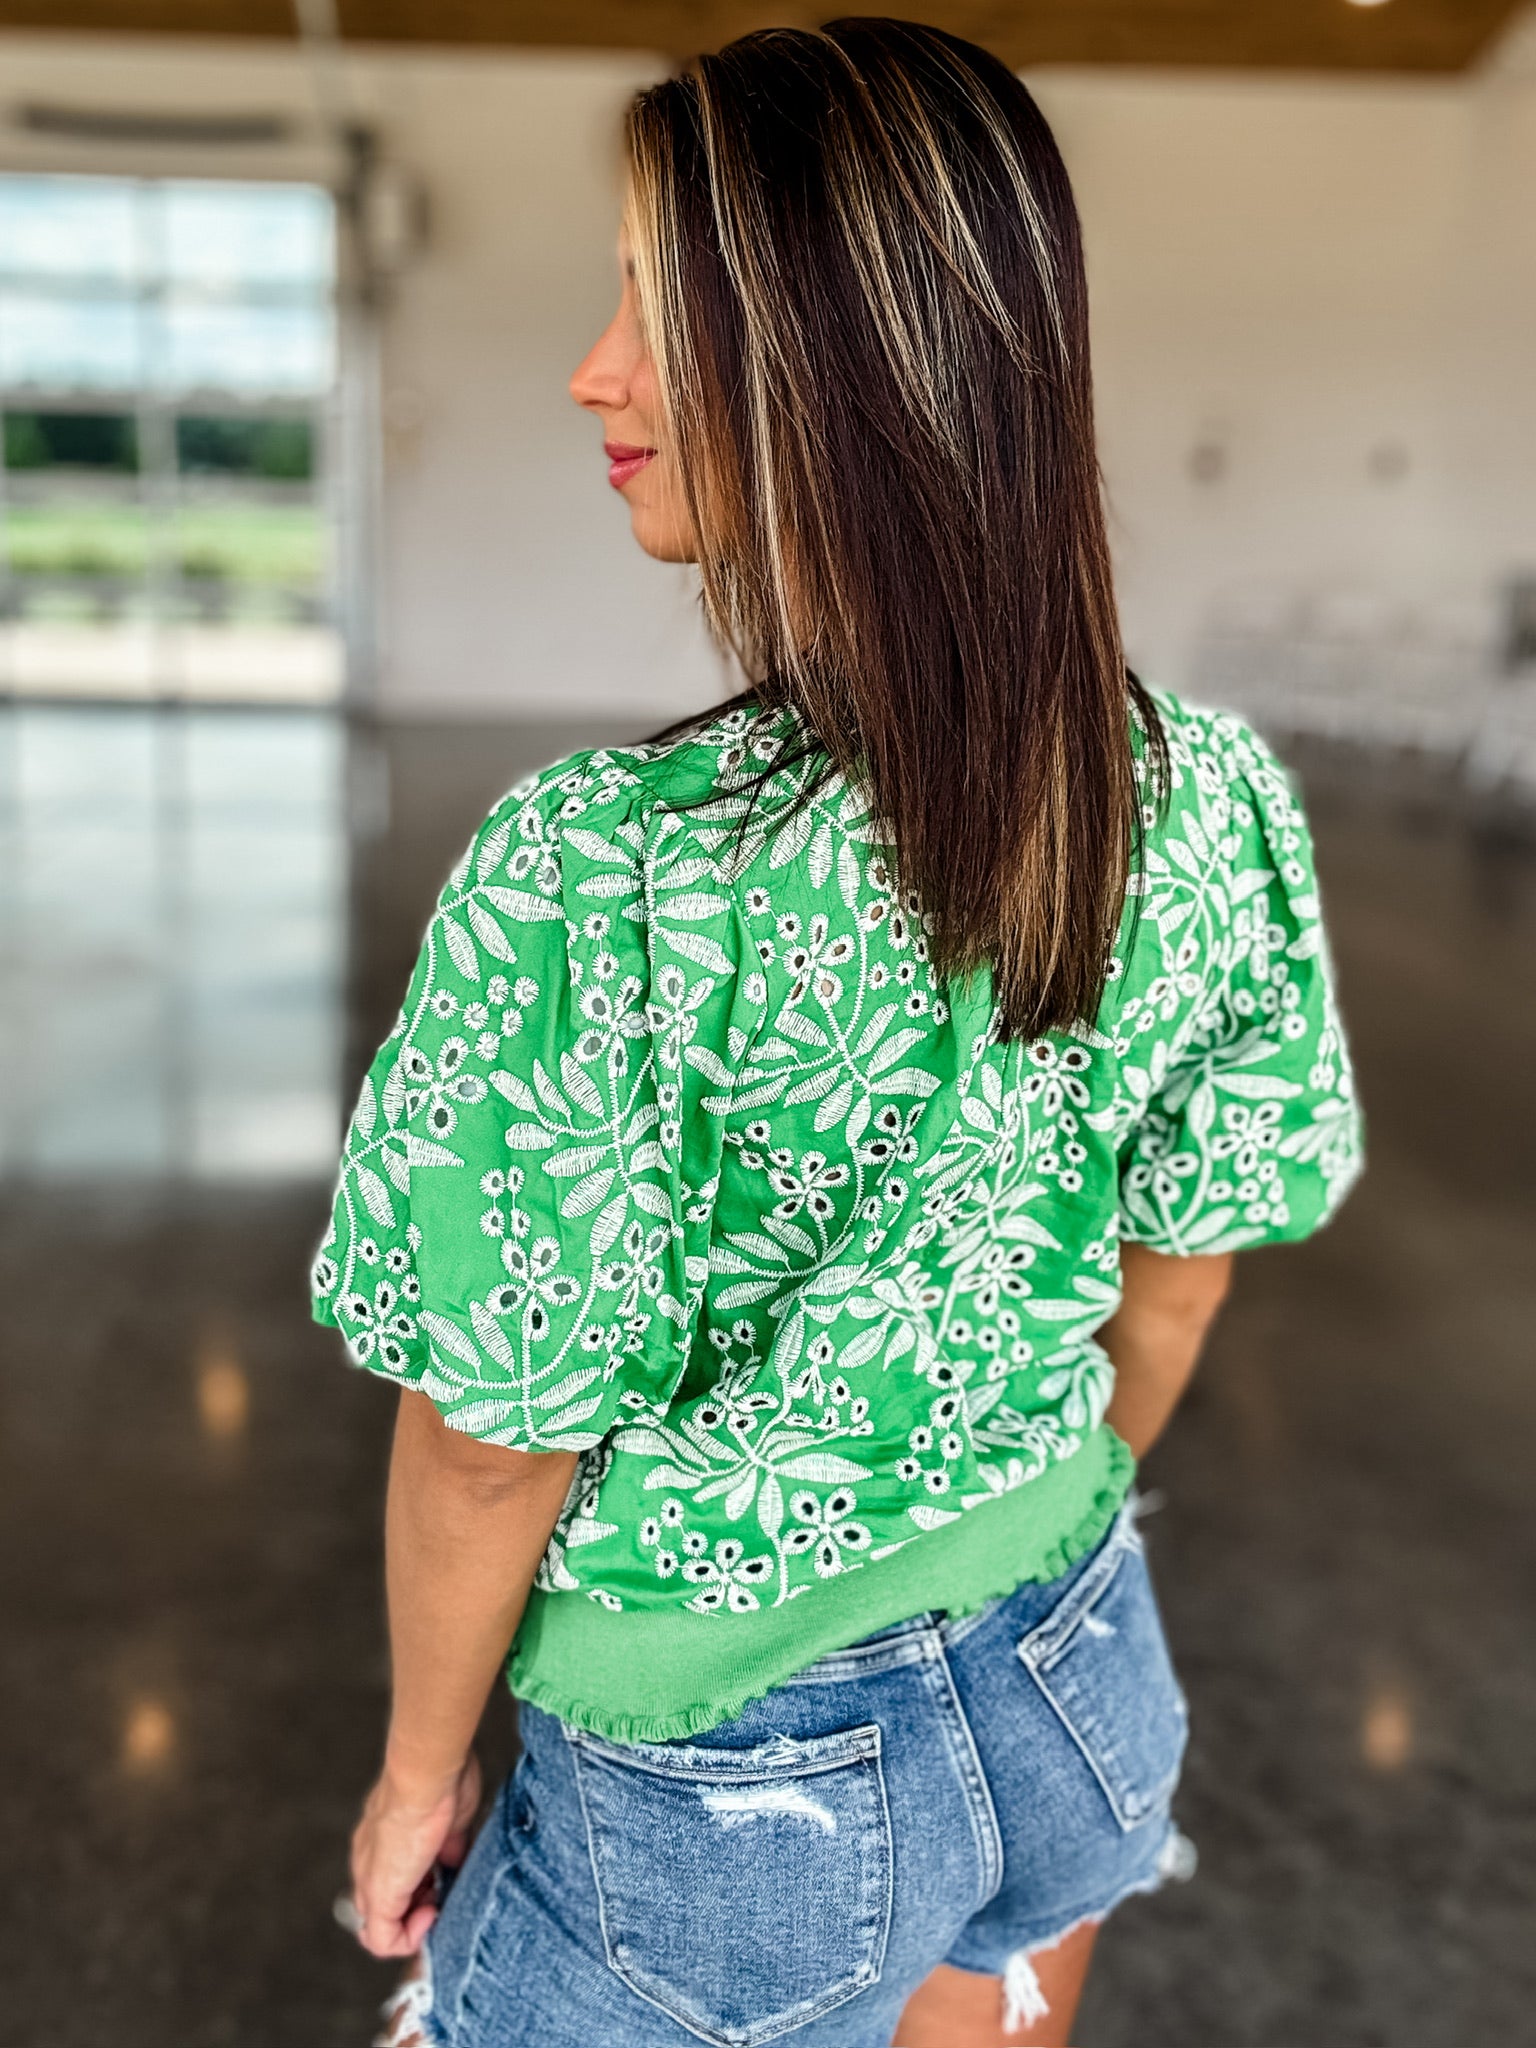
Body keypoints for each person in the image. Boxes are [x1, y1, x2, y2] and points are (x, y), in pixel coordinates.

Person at [312, 20, 1363, 2047]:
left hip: (734, 1807)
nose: (594, 370)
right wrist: (996, 1522)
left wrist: (418, 1777)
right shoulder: (1206, 794)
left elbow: (491, 1445)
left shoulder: (604, 871)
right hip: (1075, 1668)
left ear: (835, 361)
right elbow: (1180, 1282)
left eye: (655, 304)